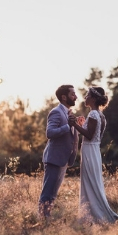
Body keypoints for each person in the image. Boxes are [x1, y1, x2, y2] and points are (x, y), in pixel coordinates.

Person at [69, 87, 118, 224]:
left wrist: (75, 124)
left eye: (87, 95)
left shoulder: (93, 114)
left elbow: (89, 135)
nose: (85, 97)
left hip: (89, 151)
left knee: (90, 182)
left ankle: (98, 215)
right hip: (94, 150)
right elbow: (94, 136)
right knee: (93, 182)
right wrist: (82, 125)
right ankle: (92, 214)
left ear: (93, 98)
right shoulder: (100, 115)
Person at [38, 84, 79, 219]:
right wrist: (68, 126)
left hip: (63, 159)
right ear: (64, 97)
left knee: (53, 193)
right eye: (73, 94)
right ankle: (43, 218)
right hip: (54, 158)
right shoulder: (56, 112)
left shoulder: (68, 113)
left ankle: (47, 217)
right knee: (48, 191)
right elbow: (50, 133)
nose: (76, 96)